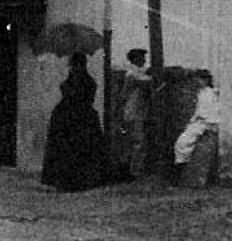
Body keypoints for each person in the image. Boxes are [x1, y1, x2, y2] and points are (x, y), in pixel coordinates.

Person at [41, 52, 108, 192]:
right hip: (81, 117)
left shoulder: (78, 80)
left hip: (71, 117)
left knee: (70, 149)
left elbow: (72, 95)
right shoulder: (85, 80)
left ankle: (69, 180)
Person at [173, 69, 221, 177]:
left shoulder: (210, 93)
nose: (199, 82)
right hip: (200, 122)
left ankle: (182, 168)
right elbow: (199, 111)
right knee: (181, 143)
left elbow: (209, 112)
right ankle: (182, 167)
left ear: (207, 80)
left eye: (202, 79)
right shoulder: (201, 93)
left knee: (182, 143)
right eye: (199, 79)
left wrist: (201, 122)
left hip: (206, 123)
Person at [117, 48, 152, 178]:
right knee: (137, 141)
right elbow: (146, 81)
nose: (144, 60)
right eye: (142, 58)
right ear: (136, 59)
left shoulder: (135, 72)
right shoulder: (132, 74)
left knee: (135, 141)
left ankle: (132, 169)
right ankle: (134, 171)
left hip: (136, 111)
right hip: (133, 111)